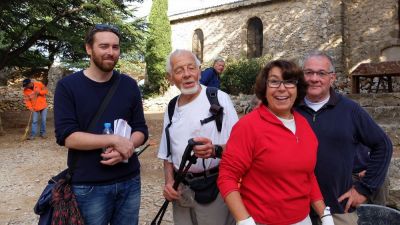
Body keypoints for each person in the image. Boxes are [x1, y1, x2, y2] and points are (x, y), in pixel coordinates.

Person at [53, 24, 148, 225]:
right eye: (104, 46)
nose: (110, 52)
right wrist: (114, 139)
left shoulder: (129, 85)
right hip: (88, 185)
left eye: (115, 47)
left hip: (129, 180)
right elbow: (67, 136)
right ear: (89, 48)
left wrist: (127, 147)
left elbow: (141, 129)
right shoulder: (67, 87)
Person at [218, 60, 332, 225]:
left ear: (297, 88)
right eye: (274, 81)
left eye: (289, 82)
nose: (282, 88)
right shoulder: (248, 126)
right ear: (264, 88)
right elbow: (227, 177)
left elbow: (307, 175)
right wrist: (244, 220)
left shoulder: (304, 125)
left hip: (303, 220)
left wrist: (324, 215)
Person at [296, 51, 393, 225]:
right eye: (308, 72)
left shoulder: (350, 110)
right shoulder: (291, 109)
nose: (314, 78)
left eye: (321, 73)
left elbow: (383, 145)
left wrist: (364, 189)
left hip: (338, 210)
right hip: (296, 211)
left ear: (332, 78)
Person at [158, 49, 238, 225]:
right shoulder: (172, 108)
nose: (187, 74)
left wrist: (215, 150)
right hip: (182, 191)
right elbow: (167, 154)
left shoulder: (218, 98)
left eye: (191, 68)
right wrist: (170, 182)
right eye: (179, 70)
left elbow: (240, 147)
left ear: (199, 71)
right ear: (170, 78)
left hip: (214, 189)